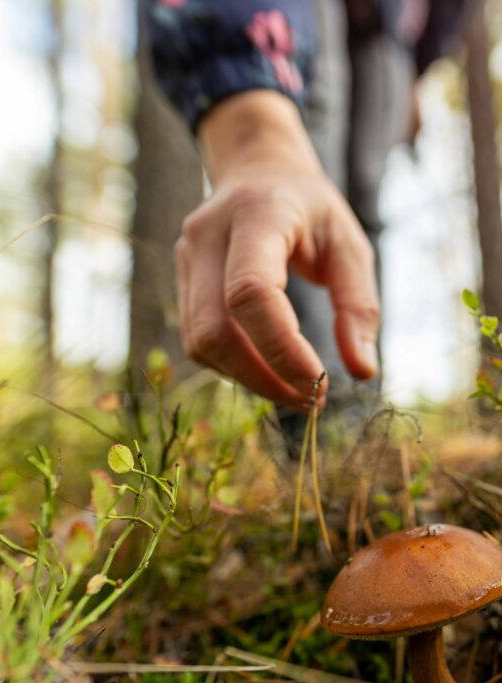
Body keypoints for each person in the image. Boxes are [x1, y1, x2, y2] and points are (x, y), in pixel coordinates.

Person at [145, 0, 468, 417]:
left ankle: (364, 413)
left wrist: (422, 63)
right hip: (299, 17)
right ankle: (317, 426)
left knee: (362, 210)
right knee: (299, 200)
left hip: (394, 35)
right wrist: (255, 132)